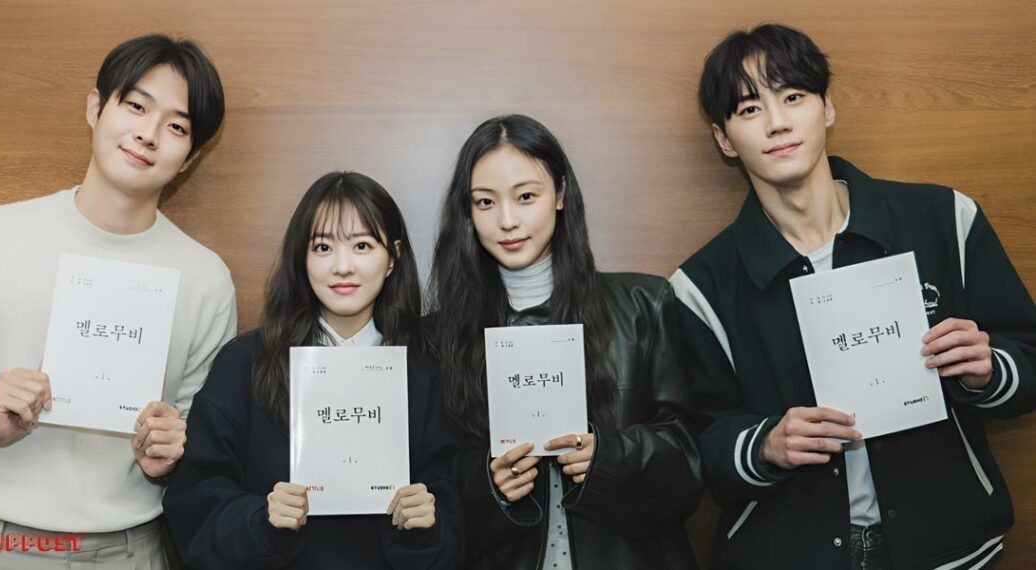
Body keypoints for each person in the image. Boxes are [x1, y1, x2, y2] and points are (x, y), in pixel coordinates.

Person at [674, 22, 1036, 569]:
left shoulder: (944, 218)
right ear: (724, 139)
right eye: (749, 109)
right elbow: (701, 443)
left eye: (792, 97)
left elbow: (1028, 357)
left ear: (827, 108)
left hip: (949, 545)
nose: (776, 122)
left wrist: (988, 369)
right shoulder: (700, 286)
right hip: (790, 553)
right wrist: (766, 445)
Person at [0, 34, 235, 568]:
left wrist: (166, 458)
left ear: (190, 158)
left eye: (176, 126)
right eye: (136, 106)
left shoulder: (205, 279)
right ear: (96, 107)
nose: (148, 134)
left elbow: (200, 441)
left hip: (130, 550)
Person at [428, 114, 702, 569]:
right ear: (467, 212)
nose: (507, 221)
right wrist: (491, 485)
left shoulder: (643, 304)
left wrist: (606, 458)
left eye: (526, 197)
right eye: (485, 202)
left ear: (560, 194)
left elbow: (688, 466)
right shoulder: (439, 337)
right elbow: (430, 484)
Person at [163, 171, 460, 568]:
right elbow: (195, 502)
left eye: (362, 245)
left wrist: (426, 523)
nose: (342, 266)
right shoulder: (245, 363)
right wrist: (262, 520)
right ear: (301, 257)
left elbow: (458, 508)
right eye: (323, 247)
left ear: (393, 258)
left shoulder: (427, 369)